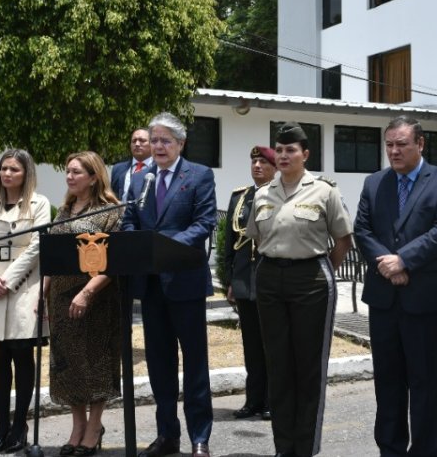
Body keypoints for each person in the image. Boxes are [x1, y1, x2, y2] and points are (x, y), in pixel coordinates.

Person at [353, 116, 437, 457]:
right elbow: (362, 230)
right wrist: (388, 265)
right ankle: (390, 449)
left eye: (401, 144)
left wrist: (403, 260)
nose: (394, 151)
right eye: (389, 145)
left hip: (424, 300)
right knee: (387, 382)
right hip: (384, 300)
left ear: (421, 144)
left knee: (425, 382)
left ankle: (425, 451)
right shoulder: (374, 183)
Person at [246, 124, 353, 457]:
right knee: (278, 366)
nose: (282, 156)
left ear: (305, 154)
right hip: (270, 278)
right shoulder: (263, 193)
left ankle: (305, 447)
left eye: (290, 150)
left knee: (308, 368)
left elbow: (342, 240)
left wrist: (316, 273)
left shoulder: (324, 191)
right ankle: (284, 446)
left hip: (311, 280)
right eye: (278, 149)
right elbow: (258, 237)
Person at [121, 113, 217, 457]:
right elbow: (129, 221)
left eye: (165, 141)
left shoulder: (199, 176)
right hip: (151, 287)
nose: (157, 146)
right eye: (154, 140)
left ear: (180, 143)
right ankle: (167, 435)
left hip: (185, 283)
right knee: (159, 365)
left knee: (194, 364)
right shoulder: (140, 180)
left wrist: (166, 249)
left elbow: (205, 222)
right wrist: (141, 248)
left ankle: (199, 438)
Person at [0, 149, 52, 453]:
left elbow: (36, 247)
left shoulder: (40, 204)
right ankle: (2, 426)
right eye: (3, 169)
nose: (7, 174)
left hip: (23, 288)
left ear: (26, 173)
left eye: (14, 170)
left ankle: (20, 425)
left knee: (21, 356)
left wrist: (9, 280)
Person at [45, 151, 123, 457]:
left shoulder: (110, 211)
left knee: (94, 364)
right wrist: (43, 290)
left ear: (93, 177)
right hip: (61, 299)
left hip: (96, 300)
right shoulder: (64, 210)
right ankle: (77, 425)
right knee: (68, 364)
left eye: (76, 172)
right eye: (67, 171)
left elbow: (114, 261)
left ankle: (94, 426)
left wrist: (87, 293)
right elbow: (52, 255)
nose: (69, 176)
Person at [222, 145, 277, 421]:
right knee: (251, 345)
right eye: (254, 162)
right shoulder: (240, 197)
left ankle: (271, 401)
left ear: (275, 168)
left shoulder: (281, 194)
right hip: (244, 280)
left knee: (271, 344)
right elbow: (230, 245)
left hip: (271, 280)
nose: (257, 166)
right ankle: (253, 400)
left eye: (263, 163)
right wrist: (229, 280)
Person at [111, 128, 153, 202]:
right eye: (134, 141)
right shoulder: (118, 169)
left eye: (142, 141)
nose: (137, 144)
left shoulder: (159, 168)